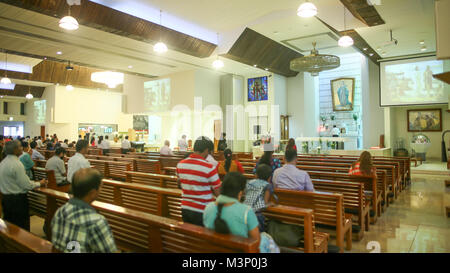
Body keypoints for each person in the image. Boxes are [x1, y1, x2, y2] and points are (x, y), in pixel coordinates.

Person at [203, 172, 279, 253]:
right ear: (240, 193)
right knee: (267, 239)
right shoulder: (246, 211)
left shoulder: (208, 208)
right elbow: (256, 242)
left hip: (215, 249)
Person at [51, 168, 117, 253]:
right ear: (92, 192)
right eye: (101, 187)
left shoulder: (60, 211)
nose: (101, 190)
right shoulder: (96, 222)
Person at [0, 141, 46, 230]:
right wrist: (40, 183)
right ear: (15, 150)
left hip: (6, 198)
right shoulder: (16, 164)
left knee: (10, 226)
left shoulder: (3, 162)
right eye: (20, 146)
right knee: (20, 228)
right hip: (17, 201)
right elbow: (26, 185)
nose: (22, 148)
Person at [176, 136, 221, 226]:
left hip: (185, 208)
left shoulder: (180, 164)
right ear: (207, 150)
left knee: (190, 236)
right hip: (203, 210)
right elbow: (218, 193)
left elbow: (179, 184)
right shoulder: (209, 167)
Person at [244, 164, 274, 231]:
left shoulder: (249, 182)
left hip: (245, 211)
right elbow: (264, 205)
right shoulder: (267, 186)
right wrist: (270, 204)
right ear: (269, 178)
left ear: (256, 175)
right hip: (256, 216)